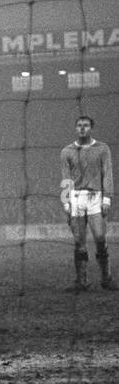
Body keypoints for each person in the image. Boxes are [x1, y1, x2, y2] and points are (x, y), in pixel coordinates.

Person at [60, 116, 115, 291]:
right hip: (75, 197)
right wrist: (66, 203)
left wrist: (107, 198)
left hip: (95, 197)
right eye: (79, 126)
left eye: (86, 125)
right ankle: (81, 281)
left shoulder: (102, 149)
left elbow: (107, 173)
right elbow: (65, 178)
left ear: (91, 128)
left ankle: (106, 278)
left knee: (100, 237)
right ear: (75, 128)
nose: (82, 128)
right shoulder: (67, 151)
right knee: (79, 241)